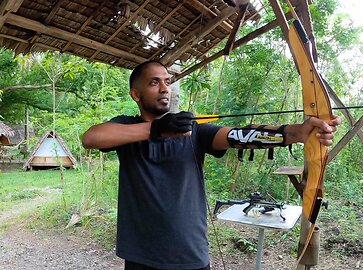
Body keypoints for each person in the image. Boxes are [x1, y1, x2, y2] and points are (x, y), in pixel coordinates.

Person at [82, 60, 341, 270]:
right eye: (154, 82)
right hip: (141, 256)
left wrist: (297, 133)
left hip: (189, 255)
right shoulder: (127, 127)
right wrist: (156, 129)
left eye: (167, 82)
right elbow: (92, 138)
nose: (164, 88)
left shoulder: (194, 133)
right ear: (135, 94)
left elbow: (240, 134)